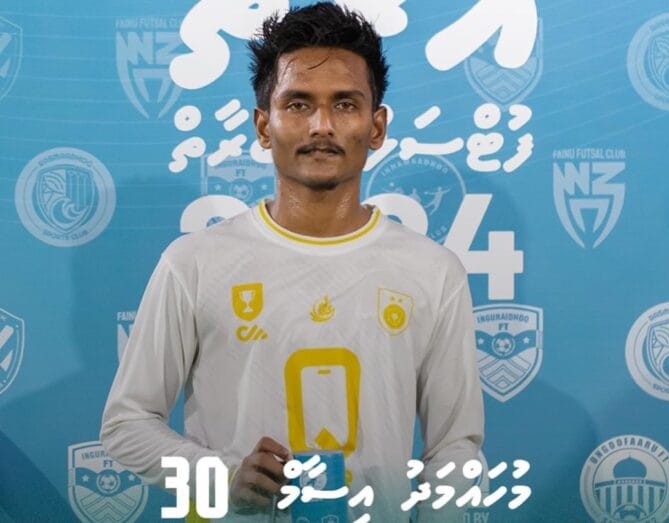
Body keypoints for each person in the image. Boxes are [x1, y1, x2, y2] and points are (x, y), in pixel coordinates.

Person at [101, 3, 483, 521]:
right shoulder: (194, 262)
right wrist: (219, 477)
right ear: (264, 125)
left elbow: (454, 449)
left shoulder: (433, 271)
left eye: (345, 104)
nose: (321, 126)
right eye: (298, 104)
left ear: (376, 127)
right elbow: (126, 423)